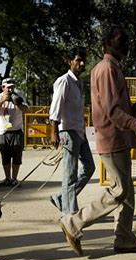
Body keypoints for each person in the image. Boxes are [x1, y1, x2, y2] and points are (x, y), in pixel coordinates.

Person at [59, 26, 136, 257]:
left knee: (127, 192)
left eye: (127, 41)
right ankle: (73, 222)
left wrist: (132, 111)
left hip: (120, 137)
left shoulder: (113, 68)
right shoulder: (106, 69)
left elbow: (113, 107)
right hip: (112, 138)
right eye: (122, 41)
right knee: (120, 190)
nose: (126, 45)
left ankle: (124, 238)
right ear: (109, 44)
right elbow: (111, 111)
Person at [49, 48, 95, 215]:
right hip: (68, 132)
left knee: (89, 168)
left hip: (79, 131)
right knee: (70, 175)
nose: (81, 63)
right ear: (69, 61)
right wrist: (54, 132)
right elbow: (55, 108)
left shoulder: (79, 83)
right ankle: (70, 214)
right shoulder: (64, 81)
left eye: (83, 60)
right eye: (78, 60)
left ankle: (62, 198)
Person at [0, 78, 30, 187]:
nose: (11, 89)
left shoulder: (19, 95)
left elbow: (26, 110)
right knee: (5, 156)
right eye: (8, 87)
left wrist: (18, 103)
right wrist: (3, 100)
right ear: (3, 87)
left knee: (17, 155)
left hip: (17, 131)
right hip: (3, 131)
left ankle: (14, 179)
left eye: (12, 87)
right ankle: (7, 178)